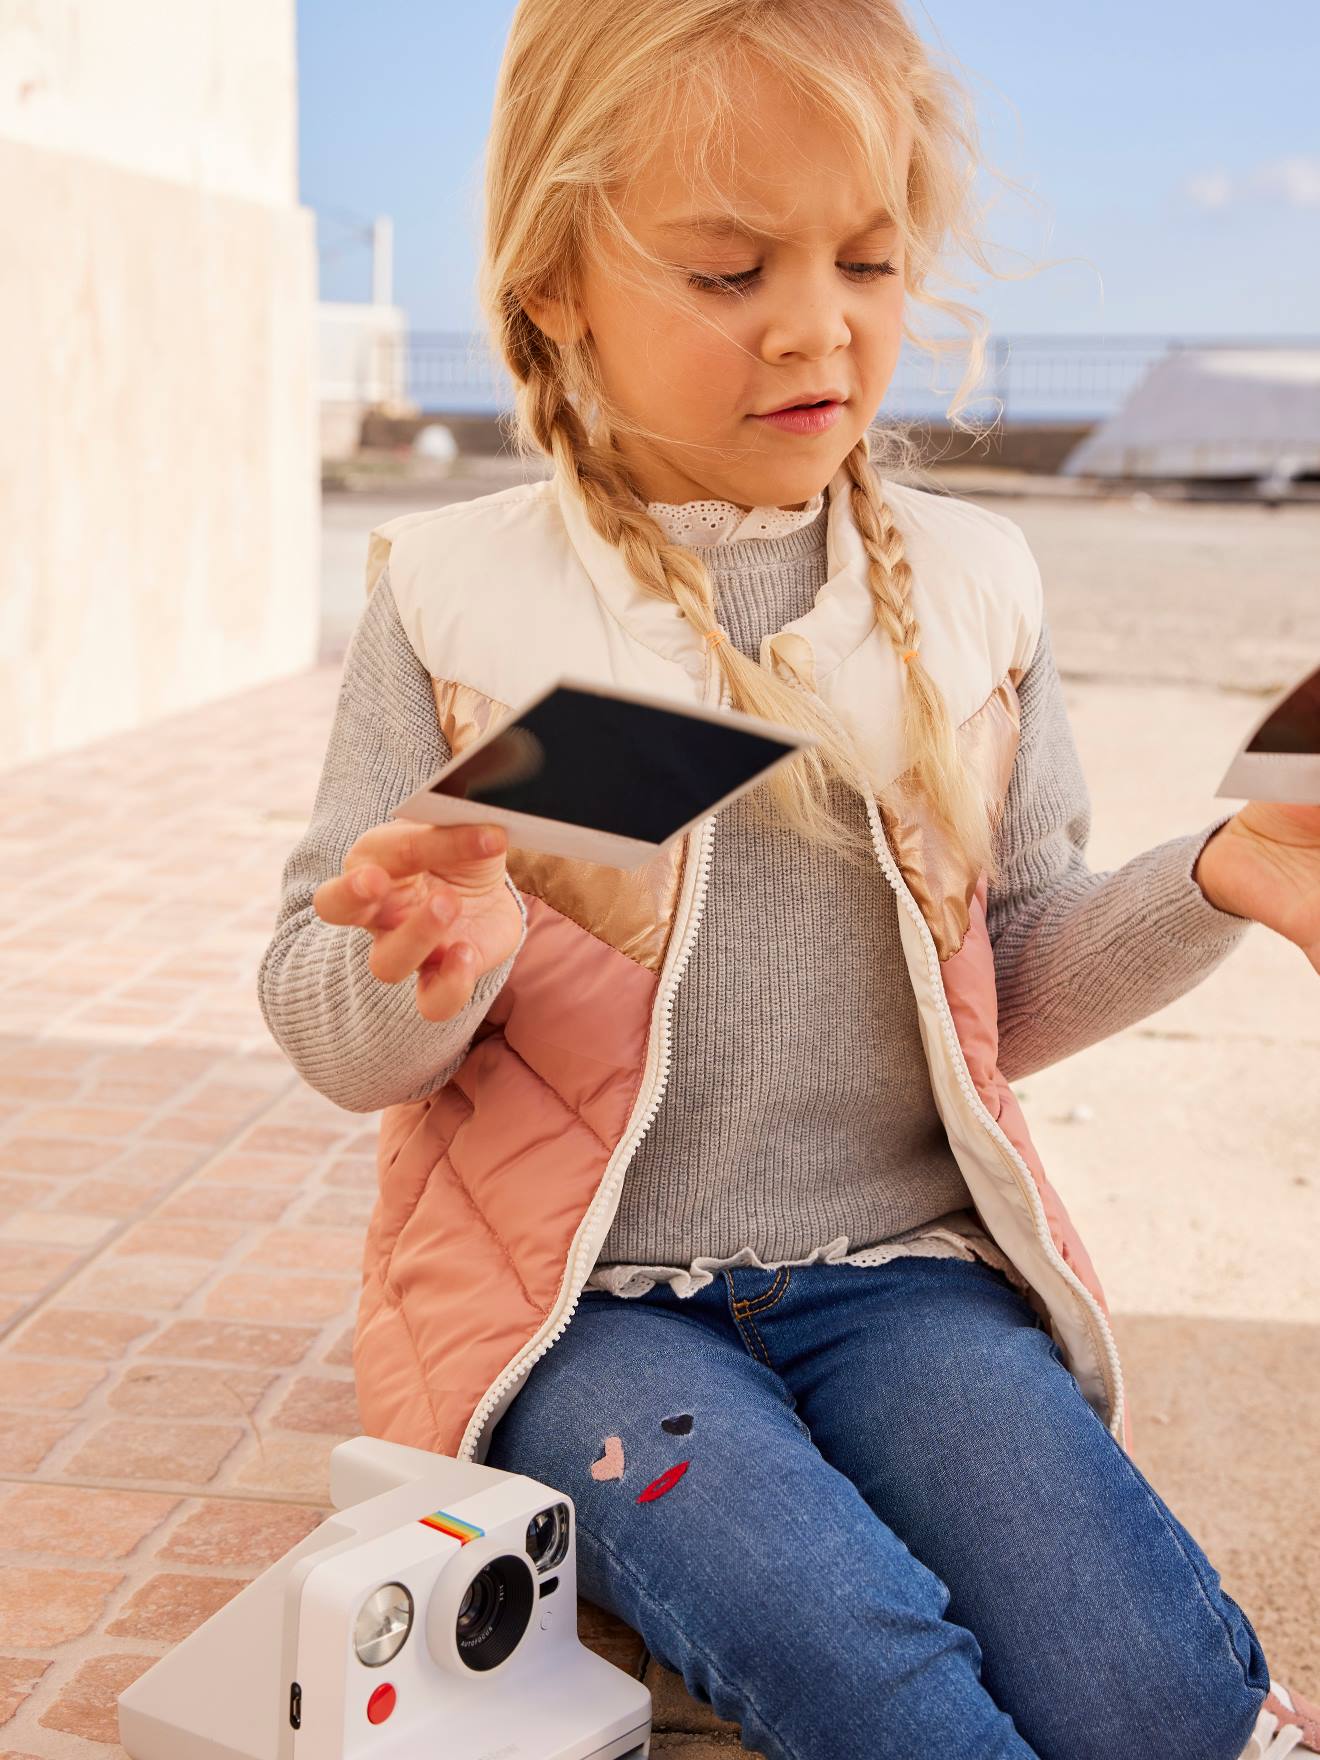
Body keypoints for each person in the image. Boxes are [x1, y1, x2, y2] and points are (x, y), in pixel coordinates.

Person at [257, 2, 1320, 1755]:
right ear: (553, 287)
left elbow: (1015, 989)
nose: (817, 325)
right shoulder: (460, 604)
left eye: (871, 259)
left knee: (1147, 1694)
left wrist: (1220, 874)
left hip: (906, 1273)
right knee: (860, 1661)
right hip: (585, 1310)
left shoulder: (971, 597)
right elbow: (333, 1030)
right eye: (727, 271)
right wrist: (422, 967)